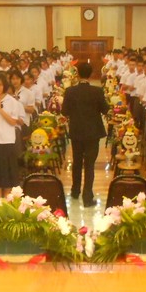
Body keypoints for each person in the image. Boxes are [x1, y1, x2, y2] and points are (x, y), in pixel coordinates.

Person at [61, 62, 109, 207]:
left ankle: (75, 191)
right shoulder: (97, 91)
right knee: (89, 164)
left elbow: (65, 111)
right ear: (90, 74)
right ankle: (87, 197)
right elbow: (105, 109)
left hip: (76, 131)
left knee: (77, 161)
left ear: (77, 74)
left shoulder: (70, 91)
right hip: (93, 132)